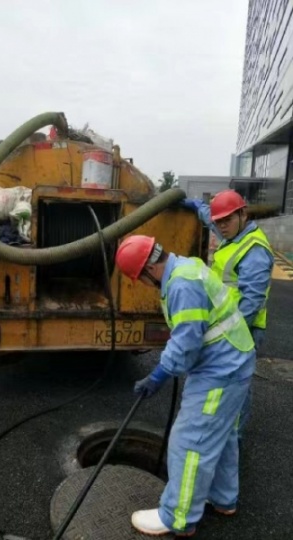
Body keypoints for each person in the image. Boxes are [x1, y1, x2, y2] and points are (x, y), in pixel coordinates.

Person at [115, 235, 256, 537]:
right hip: (233, 360)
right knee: (222, 434)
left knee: (190, 440)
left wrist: (158, 376)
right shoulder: (187, 266)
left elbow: (186, 342)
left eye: (140, 279)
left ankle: (177, 517)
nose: (143, 284)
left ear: (148, 270)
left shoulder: (181, 285)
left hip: (221, 370)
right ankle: (222, 497)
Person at [181, 191, 273, 438]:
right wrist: (195, 205)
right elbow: (209, 218)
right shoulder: (231, 232)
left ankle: (234, 438)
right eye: (218, 221)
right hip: (228, 323)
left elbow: (252, 301)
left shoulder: (254, 250)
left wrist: (229, 336)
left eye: (227, 220)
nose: (221, 226)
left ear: (243, 214)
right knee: (225, 380)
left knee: (236, 384)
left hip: (244, 327)